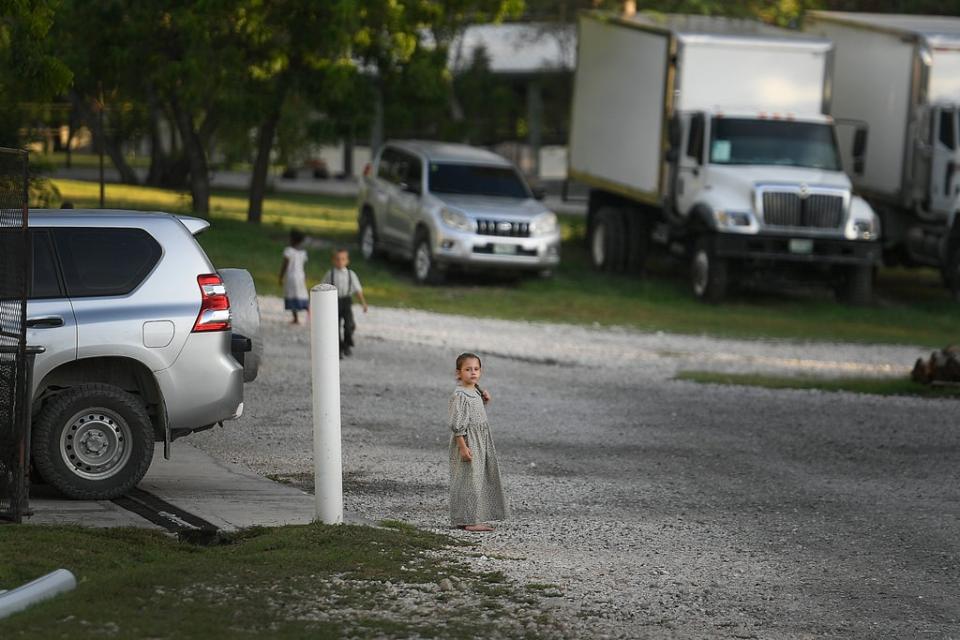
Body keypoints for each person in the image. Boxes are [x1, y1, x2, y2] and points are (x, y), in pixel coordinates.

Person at [448, 352, 508, 532]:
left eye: (476, 369)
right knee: (469, 481)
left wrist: (484, 400)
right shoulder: (460, 395)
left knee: (477, 479)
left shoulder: (474, 391)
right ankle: (470, 521)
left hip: (480, 441)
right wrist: (463, 448)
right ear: (458, 373)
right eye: (468, 369)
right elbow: (457, 423)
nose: (473, 373)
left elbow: (474, 412)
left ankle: (465, 517)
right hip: (468, 442)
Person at [320, 248, 368, 357]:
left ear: (347, 261)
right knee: (334, 326)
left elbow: (357, 290)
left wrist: (363, 303)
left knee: (349, 325)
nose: (340, 262)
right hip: (333, 301)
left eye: (343, 259)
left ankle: (347, 343)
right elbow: (322, 287)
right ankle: (338, 348)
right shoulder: (330, 274)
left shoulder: (351, 274)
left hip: (346, 301)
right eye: (337, 259)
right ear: (333, 260)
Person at [279, 229, 309, 324]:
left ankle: (296, 318)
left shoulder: (288, 251)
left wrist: (280, 276)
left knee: (291, 295)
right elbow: (303, 266)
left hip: (291, 277)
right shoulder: (303, 253)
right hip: (300, 276)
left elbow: (285, 264)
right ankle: (310, 312)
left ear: (291, 239)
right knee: (302, 294)